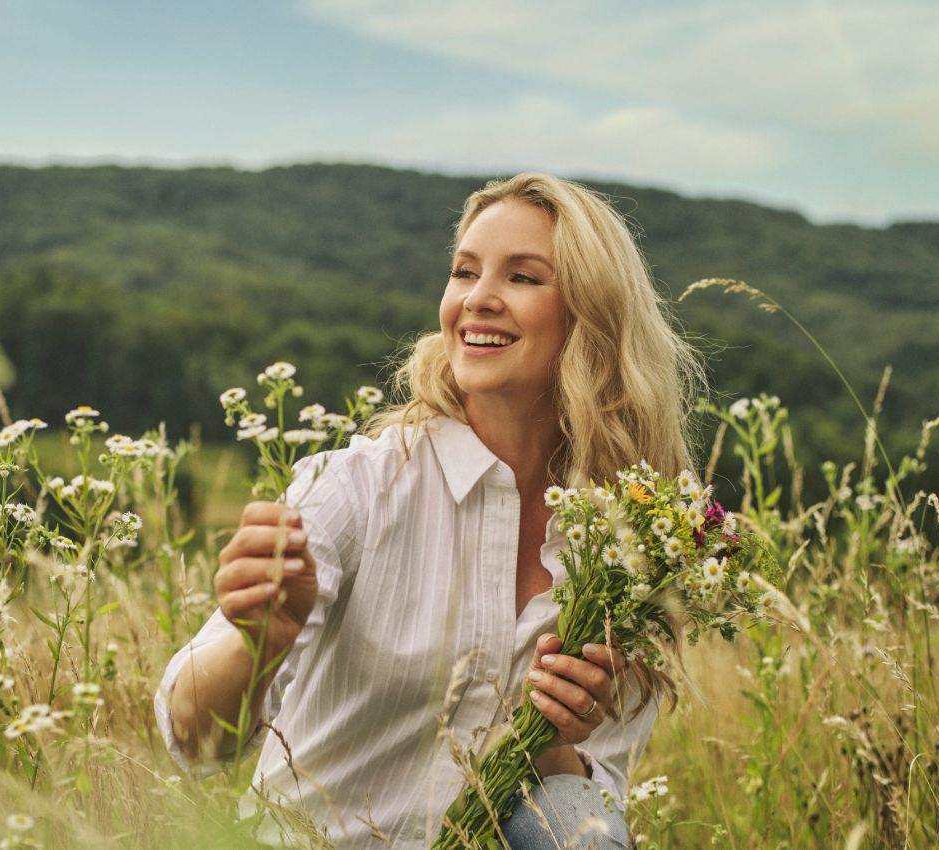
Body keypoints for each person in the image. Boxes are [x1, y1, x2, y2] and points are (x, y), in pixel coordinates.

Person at [153, 172, 707, 849]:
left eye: (523, 278)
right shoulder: (359, 486)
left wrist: (558, 741)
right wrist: (260, 640)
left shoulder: (633, 542)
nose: (477, 299)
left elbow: (590, 811)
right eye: (464, 272)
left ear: (591, 316)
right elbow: (194, 739)